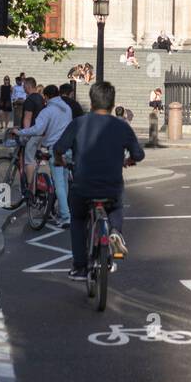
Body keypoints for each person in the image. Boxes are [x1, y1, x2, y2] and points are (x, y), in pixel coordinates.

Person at [54, 80, 145, 279]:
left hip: (83, 185)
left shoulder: (78, 123)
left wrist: (60, 160)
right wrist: (129, 160)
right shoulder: (121, 126)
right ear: (112, 105)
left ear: (91, 102)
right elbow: (139, 154)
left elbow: (58, 148)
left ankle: (80, 266)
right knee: (117, 205)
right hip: (111, 185)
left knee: (78, 218)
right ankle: (115, 232)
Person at [11, 84, 72, 226]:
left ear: (46, 96)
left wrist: (20, 132)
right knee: (64, 182)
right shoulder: (67, 108)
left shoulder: (48, 110)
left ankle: (65, 216)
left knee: (59, 184)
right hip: (68, 148)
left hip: (55, 149)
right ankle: (66, 211)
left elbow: (37, 129)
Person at [20, 78, 45, 189]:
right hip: (41, 133)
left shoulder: (29, 100)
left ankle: (30, 189)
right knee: (35, 160)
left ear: (29, 86)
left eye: (24, 86)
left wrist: (24, 134)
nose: (23, 88)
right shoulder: (41, 98)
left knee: (29, 160)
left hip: (32, 134)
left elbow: (27, 119)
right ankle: (35, 183)